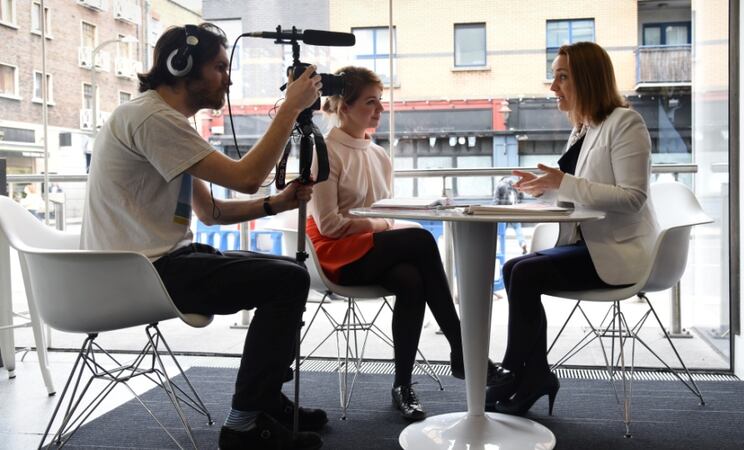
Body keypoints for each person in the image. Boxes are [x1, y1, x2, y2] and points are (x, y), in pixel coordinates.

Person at [80, 23, 327, 450]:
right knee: (289, 280)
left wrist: (277, 204)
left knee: (287, 272)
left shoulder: (160, 120)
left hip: (154, 265)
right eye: (219, 67)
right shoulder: (153, 118)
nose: (227, 78)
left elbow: (210, 212)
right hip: (139, 273)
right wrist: (290, 109)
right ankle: (246, 423)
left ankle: (263, 401)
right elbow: (247, 179)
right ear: (182, 67)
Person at [308, 66, 512, 421]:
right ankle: (463, 350)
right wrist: (389, 223)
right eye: (371, 102)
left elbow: (382, 211)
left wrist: (392, 221)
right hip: (334, 254)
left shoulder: (379, 156)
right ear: (344, 106)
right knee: (418, 238)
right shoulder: (324, 151)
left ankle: (402, 385)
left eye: (380, 102)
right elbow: (330, 225)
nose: (379, 110)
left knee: (411, 279)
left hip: (370, 248)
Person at [488, 41, 658, 416]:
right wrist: (545, 189)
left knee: (526, 272)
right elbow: (578, 196)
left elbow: (632, 197)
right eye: (554, 77)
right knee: (513, 268)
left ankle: (513, 370)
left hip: (618, 251)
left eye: (562, 77)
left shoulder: (625, 123)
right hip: (588, 245)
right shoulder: (584, 129)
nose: (553, 88)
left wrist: (561, 182)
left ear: (587, 79)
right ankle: (536, 374)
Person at [493, 176, 528, 255]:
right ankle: (522, 243)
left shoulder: (500, 185)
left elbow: (496, 200)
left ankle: (498, 248)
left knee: (501, 232)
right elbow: (521, 196)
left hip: (502, 212)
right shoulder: (516, 184)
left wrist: (494, 211)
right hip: (513, 211)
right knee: (518, 228)